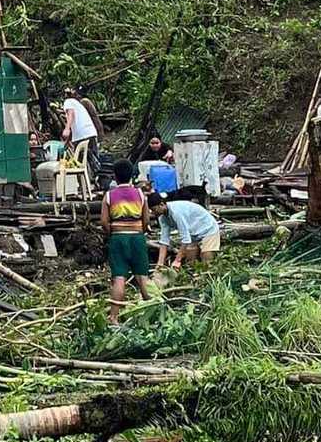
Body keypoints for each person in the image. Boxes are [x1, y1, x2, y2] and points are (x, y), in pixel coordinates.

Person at [101, 159, 152, 324]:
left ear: (115, 177)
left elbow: (104, 221)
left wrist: (112, 233)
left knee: (119, 278)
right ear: (132, 176)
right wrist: (139, 231)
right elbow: (146, 220)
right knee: (142, 277)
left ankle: (114, 317)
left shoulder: (109, 196)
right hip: (137, 238)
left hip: (118, 238)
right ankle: (153, 311)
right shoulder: (140, 195)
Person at [148, 192, 221, 270]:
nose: (153, 213)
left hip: (208, 229)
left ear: (162, 204)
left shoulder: (176, 213)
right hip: (193, 233)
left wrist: (177, 260)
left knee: (206, 259)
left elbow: (185, 239)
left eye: (154, 209)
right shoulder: (162, 217)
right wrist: (160, 264)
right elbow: (164, 241)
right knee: (190, 261)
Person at [62, 86, 101, 174]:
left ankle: (87, 181)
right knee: (92, 161)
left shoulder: (68, 102)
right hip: (89, 132)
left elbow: (70, 114)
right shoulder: (77, 103)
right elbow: (76, 123)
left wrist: (67, 128)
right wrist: (67, 141)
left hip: (82, 136)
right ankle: (96, 180)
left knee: (79, 163)